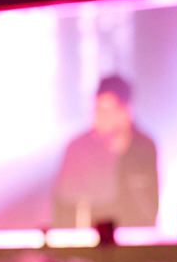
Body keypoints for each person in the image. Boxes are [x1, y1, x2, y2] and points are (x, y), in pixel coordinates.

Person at [53, 75, 159, 228]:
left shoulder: (144, 147)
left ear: (125, 111)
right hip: (89, 236)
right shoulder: (78, 148)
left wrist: (124, 152)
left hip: (134, 235)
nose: (98, 116)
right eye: (96, 109)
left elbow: (149, 204)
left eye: (105, 110)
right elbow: (64, 205)